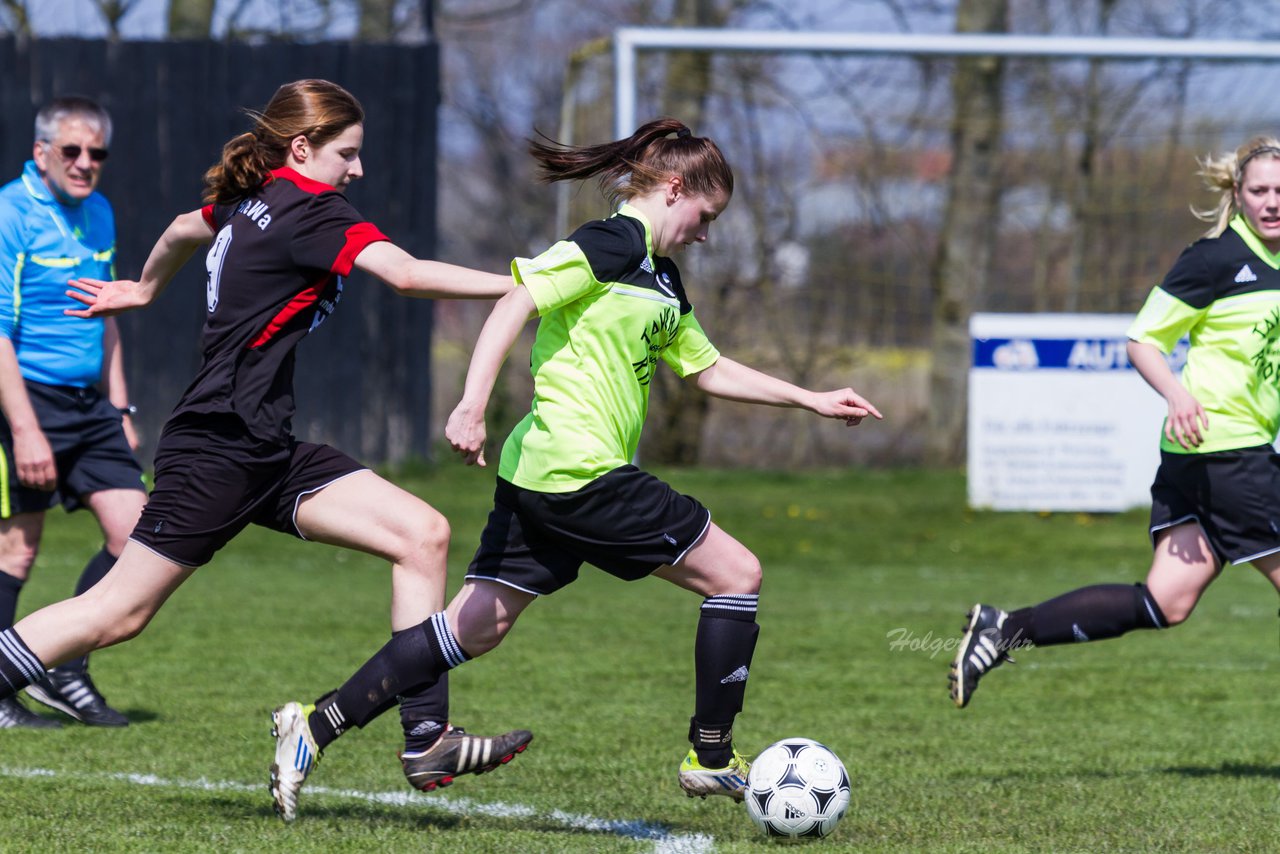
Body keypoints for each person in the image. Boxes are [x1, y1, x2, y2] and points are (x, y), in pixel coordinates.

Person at [258, 116, 882, 808]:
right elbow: (516, 300)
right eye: (706, 216)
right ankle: (710, 754)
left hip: (540, 477)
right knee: (737, 574)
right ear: (674, 189)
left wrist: (812, 399)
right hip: (581, 472)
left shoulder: (661, 277)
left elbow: (705, 369)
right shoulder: (611, 242)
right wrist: (471, 404)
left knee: (474, 628)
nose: (706, 233)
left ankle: (312, 727)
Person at [0, 79, 532, 820]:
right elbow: (407, 276)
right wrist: (530, 281)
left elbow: (187, 225)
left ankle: (426, 738)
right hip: (219, 447)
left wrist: (146, 290)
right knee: (113, 614)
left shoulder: (253, 199)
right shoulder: (310, 211)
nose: (358, 170)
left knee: (423, 533)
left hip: (263, 449)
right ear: (304, 147)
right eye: (348, 154)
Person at [949, 135, 1280, 709]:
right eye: (1259, 190)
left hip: (1207, 459)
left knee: (1164, 602)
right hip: (1226, 450)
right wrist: (1177, 394)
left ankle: (1001, 630)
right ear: (1238, 194)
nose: (1272, 201)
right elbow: (1144, 340)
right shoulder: (1216, 259)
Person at [0, 96, 146, 730]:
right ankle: (2, 693)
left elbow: (108, 311)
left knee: (138, 534)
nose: (86, 163)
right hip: (25, 399)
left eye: (97, 153)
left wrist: (119, 405)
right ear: (42, 154)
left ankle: (63, 667)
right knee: (16, 552)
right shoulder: (10, 213)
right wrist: (25, 429)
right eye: (72, 151)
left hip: (91, 407)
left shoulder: (101, 212)